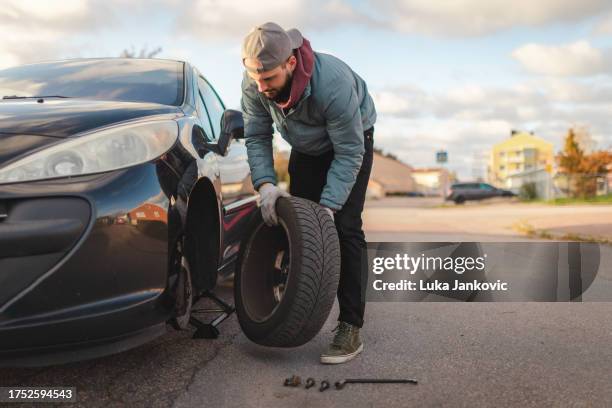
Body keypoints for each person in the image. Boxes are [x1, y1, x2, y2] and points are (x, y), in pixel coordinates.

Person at [240, 22, 376, 364]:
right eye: (255, 77)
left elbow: (349, 152)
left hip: (350, 142)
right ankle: (291, 303)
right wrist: (266, 185)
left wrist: (328, 207)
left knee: (342, 228)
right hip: (305, 145)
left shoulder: (332, 84)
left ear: (289, 63)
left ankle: (350, 327)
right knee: (300, 228)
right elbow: (257, 135)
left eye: (268, 78)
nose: (261, 86)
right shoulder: (255, 81)